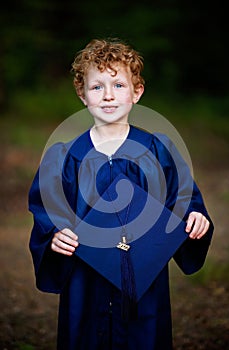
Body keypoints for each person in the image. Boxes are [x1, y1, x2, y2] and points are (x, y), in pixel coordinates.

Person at [29, 38, 214, 350]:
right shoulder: (64, 157)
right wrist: (54, 235)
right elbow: (49, 212)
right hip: (84, 280)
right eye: (97, 86)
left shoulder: (158, 151)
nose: (108, 95)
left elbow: (182, 200)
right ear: (82, 94)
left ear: (136, 92)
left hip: (143, 280)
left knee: (144, 337)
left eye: (118, 84)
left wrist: (195, 217)